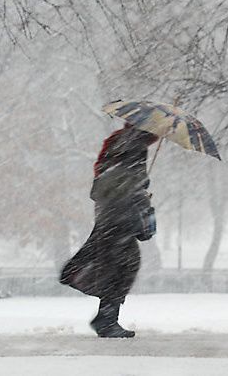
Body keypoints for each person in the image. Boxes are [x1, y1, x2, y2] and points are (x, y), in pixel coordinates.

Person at [60, 123, 159, 338]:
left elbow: (108, 181)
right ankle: (106, 319)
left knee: (115, 266)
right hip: (120, 216)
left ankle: (106, 318)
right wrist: (140, 193)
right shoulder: (135, 145)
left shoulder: (119, 142)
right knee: (122, 267)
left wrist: (138, 189)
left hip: (109, 214)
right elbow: (128, 180)